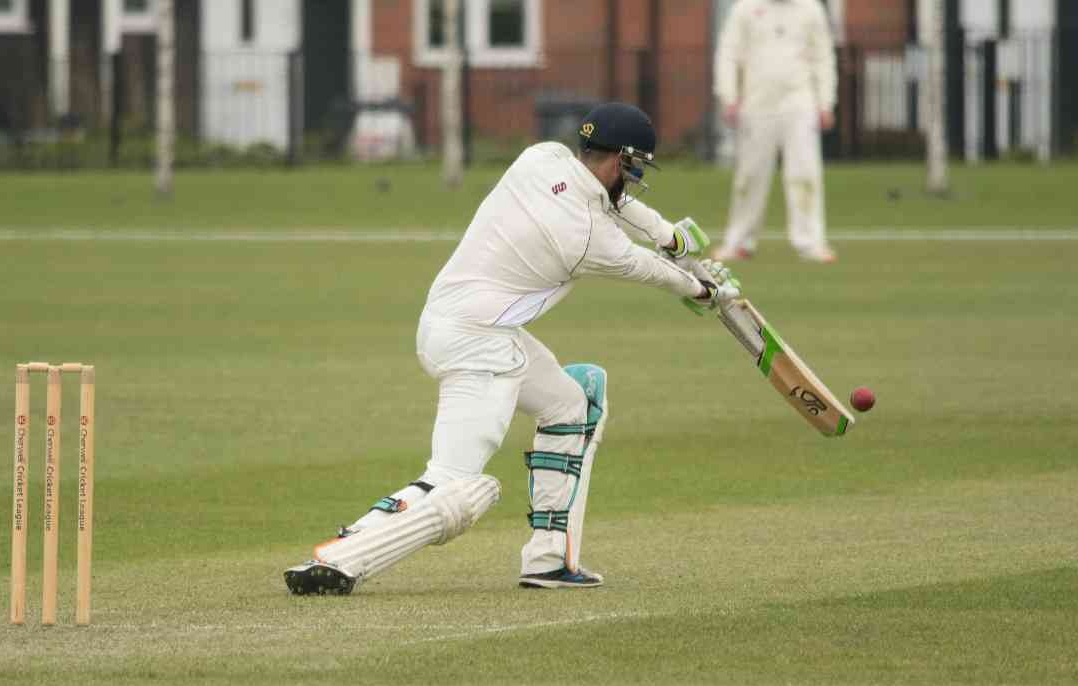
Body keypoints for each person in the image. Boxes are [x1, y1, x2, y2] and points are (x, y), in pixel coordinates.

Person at [283, 102, 741, 596]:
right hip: (479, 342)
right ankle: (343, 557)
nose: (631, 180)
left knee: (574, 404)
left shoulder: (540, 158)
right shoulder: (588, 238)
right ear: (619, 163)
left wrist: (670, 236)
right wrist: (704, 291)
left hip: (451, 323)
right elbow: (641, 266)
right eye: (632, 169)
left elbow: (617, 206)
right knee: (457, 485)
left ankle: (549, 560)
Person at [713, 0, 839, 263]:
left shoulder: (811, 9)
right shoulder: (746, 8)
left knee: (805, 174)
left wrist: (825, 102)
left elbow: (823, 57)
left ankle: (810, 243)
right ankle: (740, 242)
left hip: (799, 102)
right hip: (756, 103)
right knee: (750, 176)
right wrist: (729, 96)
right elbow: (728, 53)